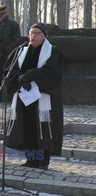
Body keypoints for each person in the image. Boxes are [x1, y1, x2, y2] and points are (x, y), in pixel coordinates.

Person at [4, 23, 63, 170]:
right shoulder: (21, 51)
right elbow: (10, 70)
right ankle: (31, 159)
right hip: (24, 98)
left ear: (44, 36)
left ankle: (43, 161)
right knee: (27, 127)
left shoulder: (53, 51)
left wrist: (30, 76)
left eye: (37, 33)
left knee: (42, 129)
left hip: (43, 98)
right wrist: (19, 79)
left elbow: (52, 72)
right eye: (31, 33)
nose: (33, 36)